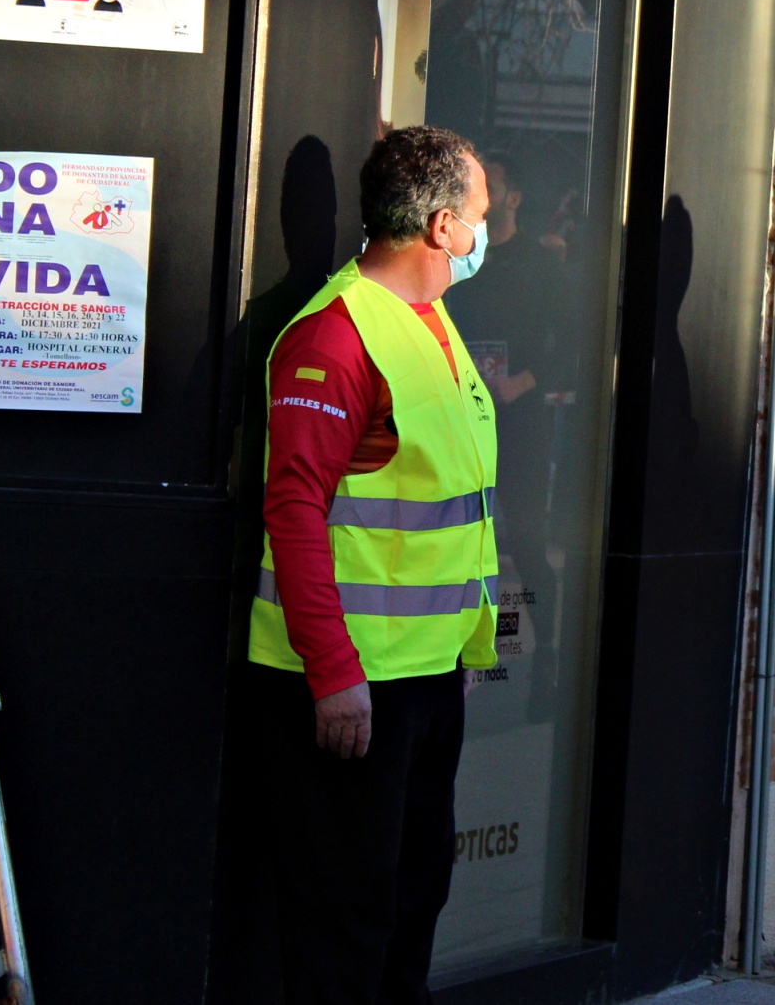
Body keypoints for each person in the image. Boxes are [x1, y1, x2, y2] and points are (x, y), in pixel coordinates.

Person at [248, 125, 499, 1003]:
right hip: (353, 687)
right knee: (345, 920)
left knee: (412, 895)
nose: (484, 233)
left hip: (424, 677)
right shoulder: (336, 337)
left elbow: (451, 506)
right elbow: (295, 513)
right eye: (479, 215)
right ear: (441, 227)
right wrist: (334, 674)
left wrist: (468, 650)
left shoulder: (428, 324)